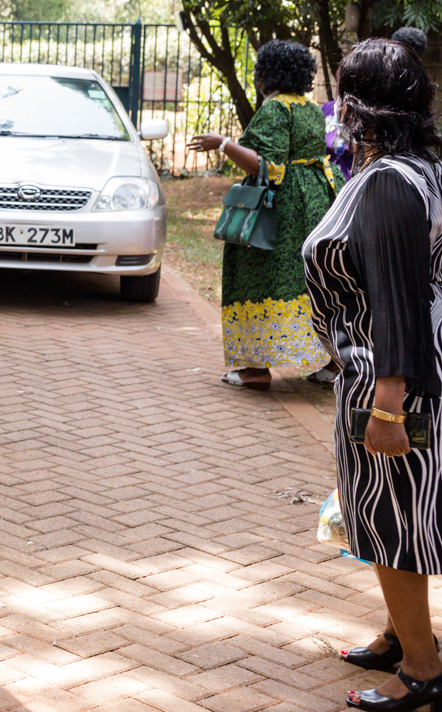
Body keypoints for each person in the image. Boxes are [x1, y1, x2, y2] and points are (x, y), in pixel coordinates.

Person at [302, 39, 442, 712]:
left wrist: (389, 405)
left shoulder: (388, 183)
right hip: (403, 371)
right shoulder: (420, 170)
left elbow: (394, 297)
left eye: (343, 97)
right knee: (397, 515)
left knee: (395, 520)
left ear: (361, 109)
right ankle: (399, 632)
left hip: (390, 381)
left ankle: (421, 668)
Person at [188, 40, 338, 390]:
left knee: (259, 274)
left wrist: (223, 144)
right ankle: (332, 363)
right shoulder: (311, 107)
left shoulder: (275, 110)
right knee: (312, 279)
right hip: (316, 201)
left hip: (281, 210)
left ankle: (255, 370)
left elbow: (269, 168)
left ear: (263, 77)